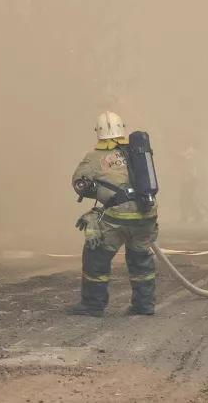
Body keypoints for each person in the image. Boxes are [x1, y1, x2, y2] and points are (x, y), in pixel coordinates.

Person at [66, 111, 159, 317]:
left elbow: (79, 183)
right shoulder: (136, 153)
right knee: (141, 259)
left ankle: (93, 304)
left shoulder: (94, 156)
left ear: (97, 131)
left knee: (96, 256)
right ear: (122, 129)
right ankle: (144, 305)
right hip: (147, 213)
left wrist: (99, 193)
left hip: (118, 217)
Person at [178, 147, 203, 224]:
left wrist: (183, 157)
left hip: (190, 180)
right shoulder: (187, 152)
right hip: (187, 180)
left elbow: (190, 162)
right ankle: (193, 215)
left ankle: (189, 215)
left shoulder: (191, 151)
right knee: (184, 198)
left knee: (185, 198)